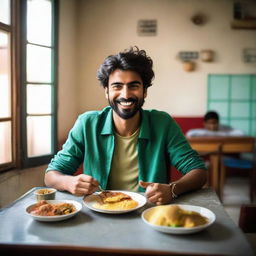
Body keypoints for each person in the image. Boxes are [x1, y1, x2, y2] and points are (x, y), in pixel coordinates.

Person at [45, 46, 207, 205]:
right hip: (100, 211)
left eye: (134, 86)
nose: (126, 94)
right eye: (117, 86)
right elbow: (51, 175)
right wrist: (68, 182)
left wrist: (172, 189)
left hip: (149, 213)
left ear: (145, 91)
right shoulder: (87, 123)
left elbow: (198, 172)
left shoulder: (163, 123)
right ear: (106, 91)